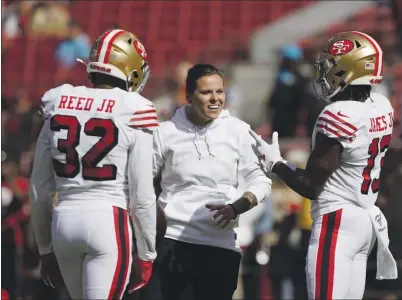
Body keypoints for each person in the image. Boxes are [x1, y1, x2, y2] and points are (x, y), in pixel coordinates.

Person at [251, 31, 398, 299]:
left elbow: (310, 187)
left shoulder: (338, 114)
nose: (325, 73)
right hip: (365, 221)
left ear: (349, 68)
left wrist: (275, 163)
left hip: (337, 222)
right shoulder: (382, 106)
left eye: (332, 65)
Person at [30, 29, 158, 299]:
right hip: (107, 220)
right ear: (130, 69)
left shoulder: (58, 100)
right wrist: (147, 254)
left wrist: (45, 248)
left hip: (63, 220)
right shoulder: (132, 106)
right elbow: (143, 196)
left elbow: (39, 190)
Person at [140, 63, 272, 300]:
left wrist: (236, 207)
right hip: (171, 241)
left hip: (220, 248)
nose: (215, 99)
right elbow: (141, 180)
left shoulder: (239, 131)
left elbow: (261, 182)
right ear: (188, 95)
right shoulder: (164, 132)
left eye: (219, 92)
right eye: (206, 92)